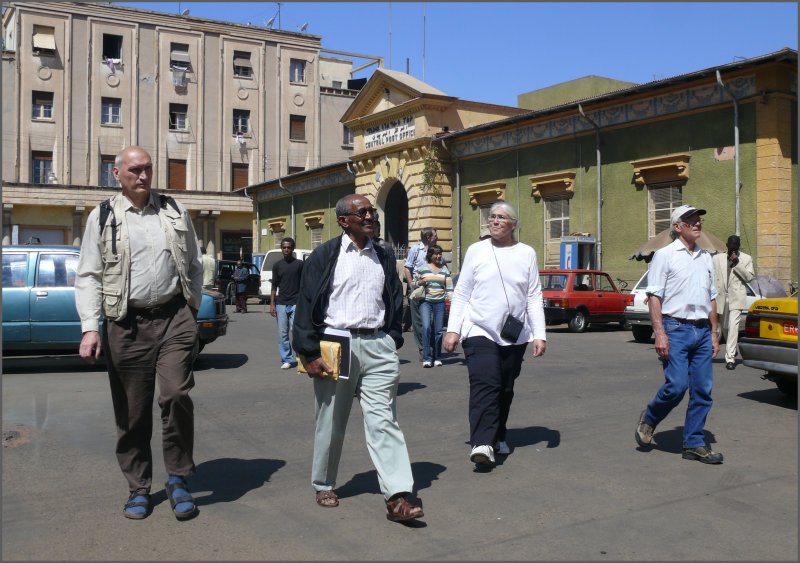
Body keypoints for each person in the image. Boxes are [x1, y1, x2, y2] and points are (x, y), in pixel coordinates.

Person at [74, 145, 203, 520]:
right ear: (117, 174)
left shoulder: (174, 210)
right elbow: (88, 276)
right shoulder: (102, 216)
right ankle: (138, 486)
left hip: (174, 316)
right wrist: (89, 327)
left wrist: (191, 311)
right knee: (132, 411)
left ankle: (178, 477)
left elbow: (194, 264)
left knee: (176, 393)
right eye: (135, 170)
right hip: (125, 323)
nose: (143, 176)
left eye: (148, 169)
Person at [293, 194, 424, 523]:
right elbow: (306, 304)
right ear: (343, 220)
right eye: (361, 212)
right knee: (332, 421)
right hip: (337, 345)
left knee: (384, 422)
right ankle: (324, 482)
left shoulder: (381, 253)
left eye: (371, 211)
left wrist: (392, 337)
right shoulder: (326, 255)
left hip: (378, 345)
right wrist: (308, 353)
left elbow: (395, 296)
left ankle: (397, 496)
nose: (370, 216)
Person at [443, 202, 546, 469]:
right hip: (478, 329)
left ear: (513, 224)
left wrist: (539, 334)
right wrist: (453, 329)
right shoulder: (476, 251)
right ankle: (481, 443)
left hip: (514, 333)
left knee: (505, 388)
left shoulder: (526, 253)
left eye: (502, 217)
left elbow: (533, 295)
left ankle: (498, 433)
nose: (495, 221)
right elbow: (462, 292)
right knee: (485, 382)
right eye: (492, 217)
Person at [635, 204, 723, 464]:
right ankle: (650, 417)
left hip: (702, 331)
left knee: (703, 390)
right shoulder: (665, 255)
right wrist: (659, 333)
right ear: (677, 227)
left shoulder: (706, 257)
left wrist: (714, 334)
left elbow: (712, 298)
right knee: (676, 387)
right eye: (690, 221)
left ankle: (694, 443)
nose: (697, 224)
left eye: (698, 220)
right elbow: (654, 297)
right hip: (675, 328)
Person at [712, 235, 755, 370]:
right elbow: (712, 278)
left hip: (736, 296)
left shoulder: (746, 259)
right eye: (731, 246)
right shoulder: (717, 258)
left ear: (739, 246)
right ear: (727, 245)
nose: (734, 249)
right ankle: (732, 348)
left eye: (736, 246)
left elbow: (749, 278)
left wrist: (737, 263)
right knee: (724, 327)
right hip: (721, 296)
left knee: (733, 325)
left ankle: (730, 358)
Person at [404, 227, 442, 359]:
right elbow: (407, 268)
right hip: (418, 289)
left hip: (434, 289)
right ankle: (423, 349)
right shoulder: (416, 249)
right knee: (419, 321)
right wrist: (412, 285)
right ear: (428, 237)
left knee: (432, 320)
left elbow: (443, 266)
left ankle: (431, 347)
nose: (437, 237)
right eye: (435, 235)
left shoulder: (436, 250)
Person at [414, 244, 453, 368]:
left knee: (438, 331)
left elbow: (449, 289)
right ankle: (427, 358)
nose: (438, 256)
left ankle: (437, 357)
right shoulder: (422, 269)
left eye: (440, 254)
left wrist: (453, 303)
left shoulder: (445, 270)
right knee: (426, 328)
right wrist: (419, 282)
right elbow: (414, 284)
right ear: (430, 255)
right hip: (426, 302)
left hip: (440, 302)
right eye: (436, 254)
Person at [270, 237, 304, 370]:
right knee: (282, 333)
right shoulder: (277, 265)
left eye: (289, 247)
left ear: (293, 248)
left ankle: (301, 356)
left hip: (296, 303)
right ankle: (287, 359)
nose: (286, 250)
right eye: (284, 247)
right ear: (281, 249)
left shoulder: (300, 264)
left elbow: (304, 284)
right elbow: (274, 286)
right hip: (282, 303)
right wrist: (272, 304)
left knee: (296, 331)